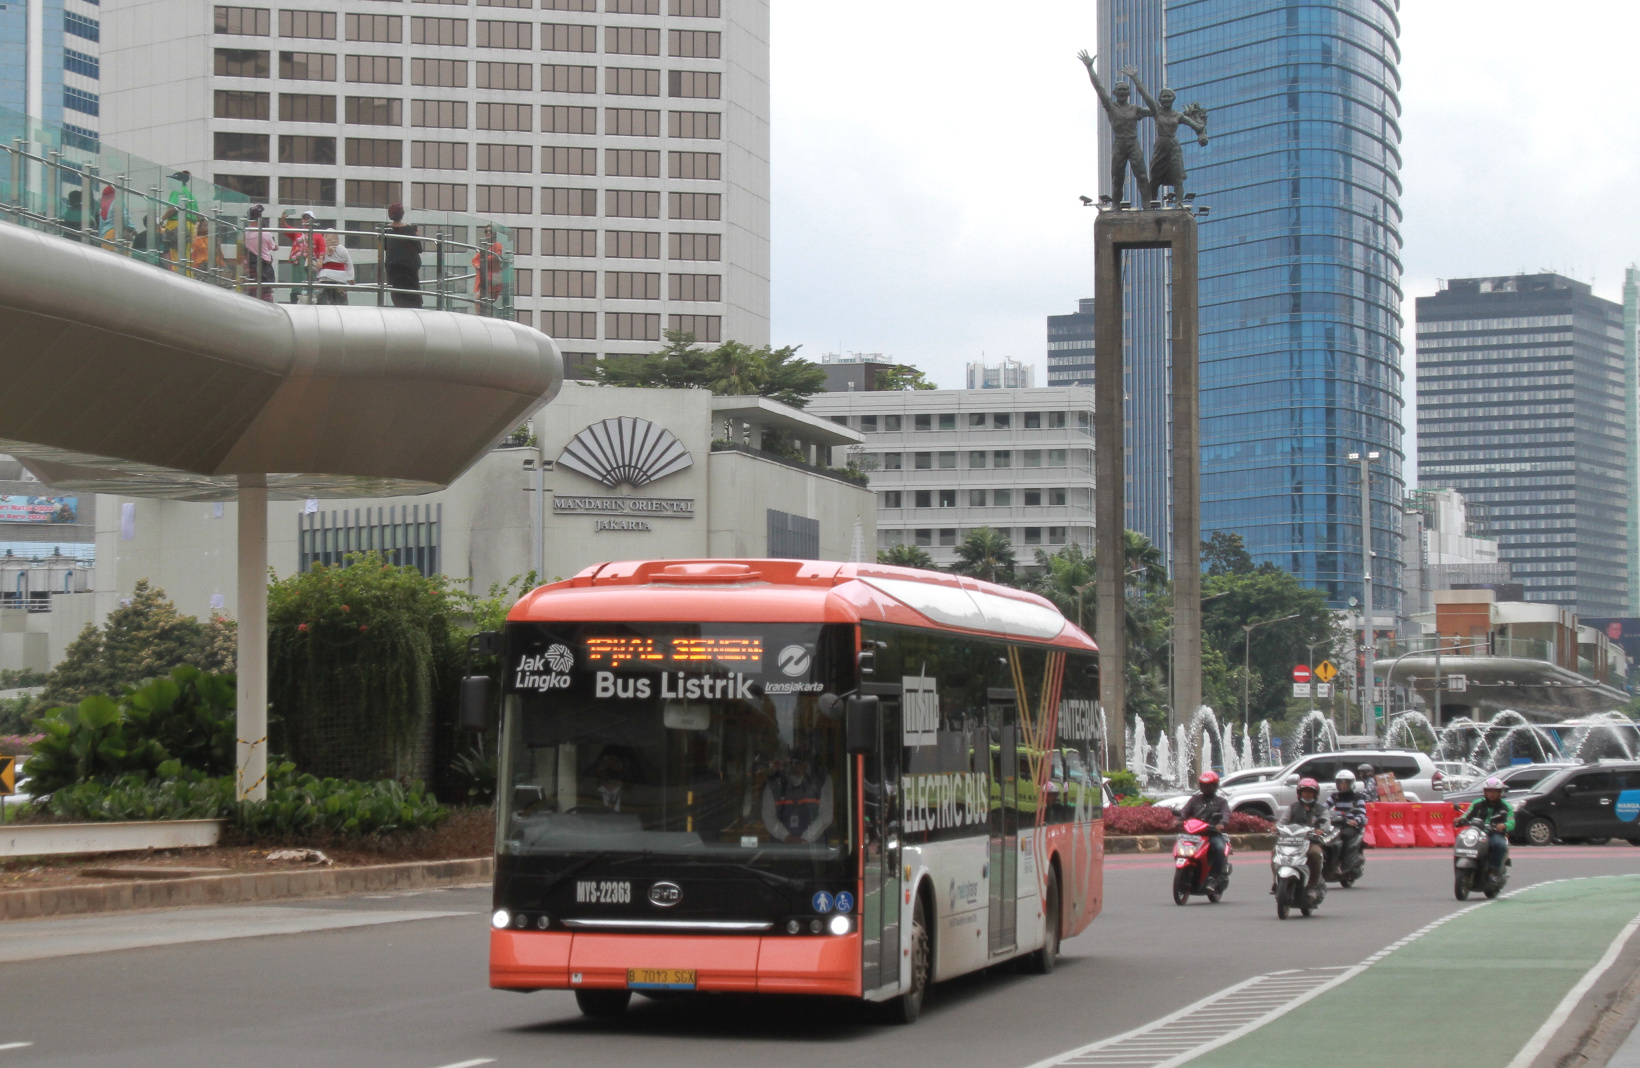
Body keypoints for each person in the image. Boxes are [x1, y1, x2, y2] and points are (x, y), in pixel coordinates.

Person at [1077, 50, 1153, 206]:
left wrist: (1135, 78)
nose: (1122, 92)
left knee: (1142, 176)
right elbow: (1098, 87)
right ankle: (1116, 207)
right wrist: (1089, 68)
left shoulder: (1135, 109)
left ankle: (1148, 205)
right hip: (1119, 144)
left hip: (1133, 143)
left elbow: (1156, 110)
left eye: (1125, 90)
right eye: (1119, 90)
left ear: (1129, 93)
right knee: (1117, 178)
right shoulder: (1111, 107)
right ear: (1114, 93)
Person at [761, 748, 834, 845]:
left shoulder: (823, 781)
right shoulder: (773, 785)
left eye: (799, 762)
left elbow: (826, 815)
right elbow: (768, 816)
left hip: (815, 851)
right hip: (780, 850)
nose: (795, 766)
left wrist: (806, 838)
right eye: (792, 762)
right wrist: (786, 836)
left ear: (806, 763)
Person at [1180, 770, 1230, 886]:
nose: (1205, 788)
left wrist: (1221, 824)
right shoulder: (1195, 800)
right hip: (1194, 835)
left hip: (1212, 835)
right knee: (1181, 847)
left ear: (1216, 786)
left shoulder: (1221, 802)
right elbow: (1185, 811)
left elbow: (1226, 814)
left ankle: (1214, 877)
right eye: (1203, 785)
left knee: (1219, 849)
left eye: (1209, 785)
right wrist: (1178, 820)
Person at [1456, 776, 1514, 878]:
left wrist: (1503, 825)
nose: (1492, 794)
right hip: (1476, 832)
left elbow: (1512, 823)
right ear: (1485, 792)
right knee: (1462, 839)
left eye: (1495, 791)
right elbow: (1467, 815)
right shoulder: (1477, 803)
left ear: (1500, 792)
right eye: (1489, 791)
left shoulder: (1506, 807)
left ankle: (1493, 871)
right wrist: (1460, 820)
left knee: (1498, 845)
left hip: (1494, 835)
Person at [1283, 777, 1331, 892]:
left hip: (1311, 842)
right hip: (1292, 842)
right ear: (1300, 793)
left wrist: (1321, 830)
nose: (1307, 794)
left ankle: (1313, 885)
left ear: (1315, 794)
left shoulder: (1321, 809)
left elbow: (1326, 824)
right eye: (1305, 791)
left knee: (1315, 854)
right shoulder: (1292, 808)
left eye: (1310, 792)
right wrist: (1276, 827)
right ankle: (1278, 880)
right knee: (1275, 853)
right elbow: (1283, 821)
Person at [383, 203, 424, 308]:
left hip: (393, 266)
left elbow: (383, 246)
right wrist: (417, 236)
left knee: (397, 292)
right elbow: (419, 249)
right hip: (409, 266)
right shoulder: (409, 229)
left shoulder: (384, 229)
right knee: (412, 294)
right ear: (402, 214)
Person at [281, 209, 326, 302]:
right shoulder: (297, 232)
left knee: (310, 280)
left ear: (313, 221)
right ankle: (295, 298)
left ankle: (310, 297)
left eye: (308, 218)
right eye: (304, 218)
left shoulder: (317, 235)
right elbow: (285, 228)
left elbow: (322, 249)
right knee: (296, 283)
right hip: (297, 261)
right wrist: (283, 219)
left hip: (310, 261)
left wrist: (320, 260)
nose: (305, 220)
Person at [1327, 769, 1367, 871]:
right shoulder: (1335, 796)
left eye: (1345, 782)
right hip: (1337, 824)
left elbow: (1362, 812)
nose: (1343, 785)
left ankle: (1341, 862)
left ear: (1351, 783)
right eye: (1340, 782)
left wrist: (1355, 820)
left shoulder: (1357, 796)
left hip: (1350, 825)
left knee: (1344, 836)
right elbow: (1324, 807)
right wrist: (1315, 814)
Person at [242, 205, 277, 301]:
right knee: (266, 295)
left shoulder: (245, 233)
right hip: (264, 269)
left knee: (252, 294)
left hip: (250, 267)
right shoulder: (265, 233)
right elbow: (274, 247)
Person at [315, 230, 354, 304]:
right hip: (340, 278)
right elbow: (349, 263)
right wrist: (350, 278)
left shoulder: (322, 248)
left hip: (324, 277)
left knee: (323, 303)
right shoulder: (342, 249)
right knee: (340, 303)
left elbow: (317, 264)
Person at [473, 224, 504, 313]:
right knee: (482, 301)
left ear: (494, 233)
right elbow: (475, 259)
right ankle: (482, 319)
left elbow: (497, 256)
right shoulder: (486, 246)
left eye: (490, 231)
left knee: (480, 300)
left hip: (493, 280)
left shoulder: (497, 245)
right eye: (486, 231)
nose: (488, 233)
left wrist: (483, 260)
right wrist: (478, 265)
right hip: (486, 279)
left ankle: (480, 319)